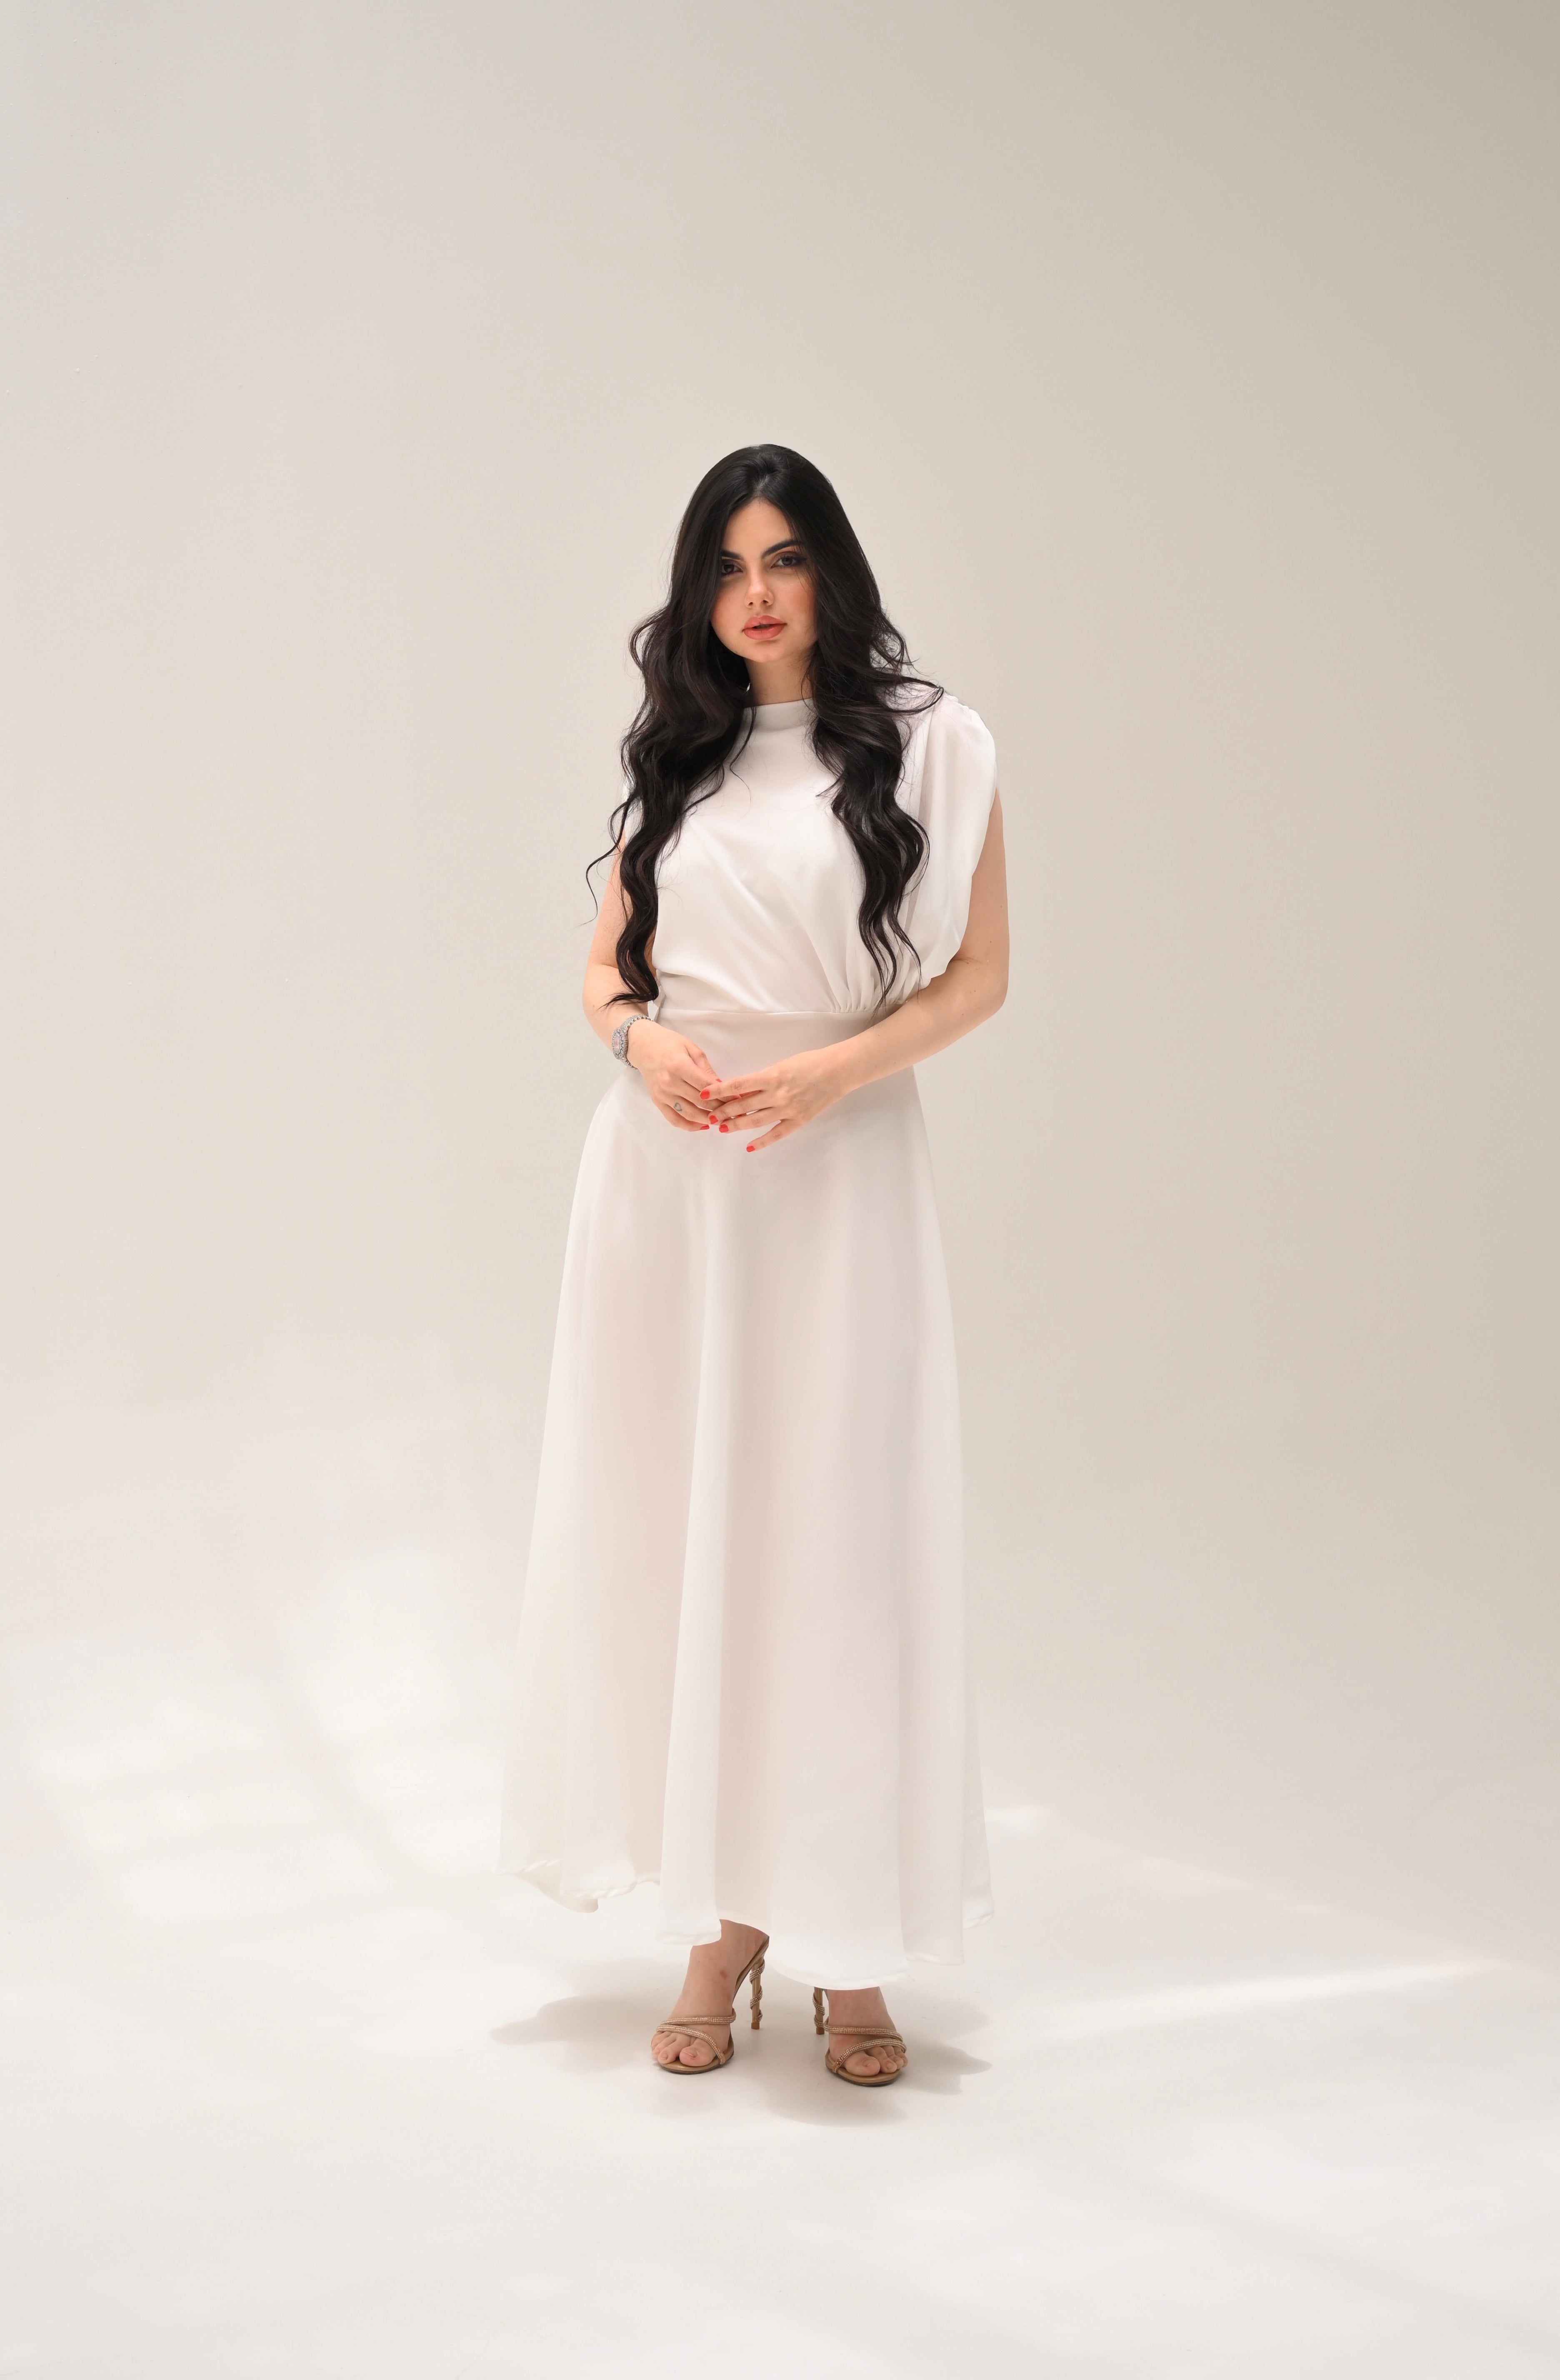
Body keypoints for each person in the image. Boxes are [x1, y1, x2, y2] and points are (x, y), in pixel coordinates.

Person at [499, 445, 1008, 2085]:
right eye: (726, 568)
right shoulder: (684, 760)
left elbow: (981, 979)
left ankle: (848, 1941)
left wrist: (829, 1074)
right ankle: (721, 1928)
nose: (757, 594)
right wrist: (638, 1044)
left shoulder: (933, 748)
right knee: (687, 1537)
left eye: (784, 559)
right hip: (668, 1186)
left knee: (835, 1544)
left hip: (833, 1174)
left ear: (831, 571)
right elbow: (599, 973)